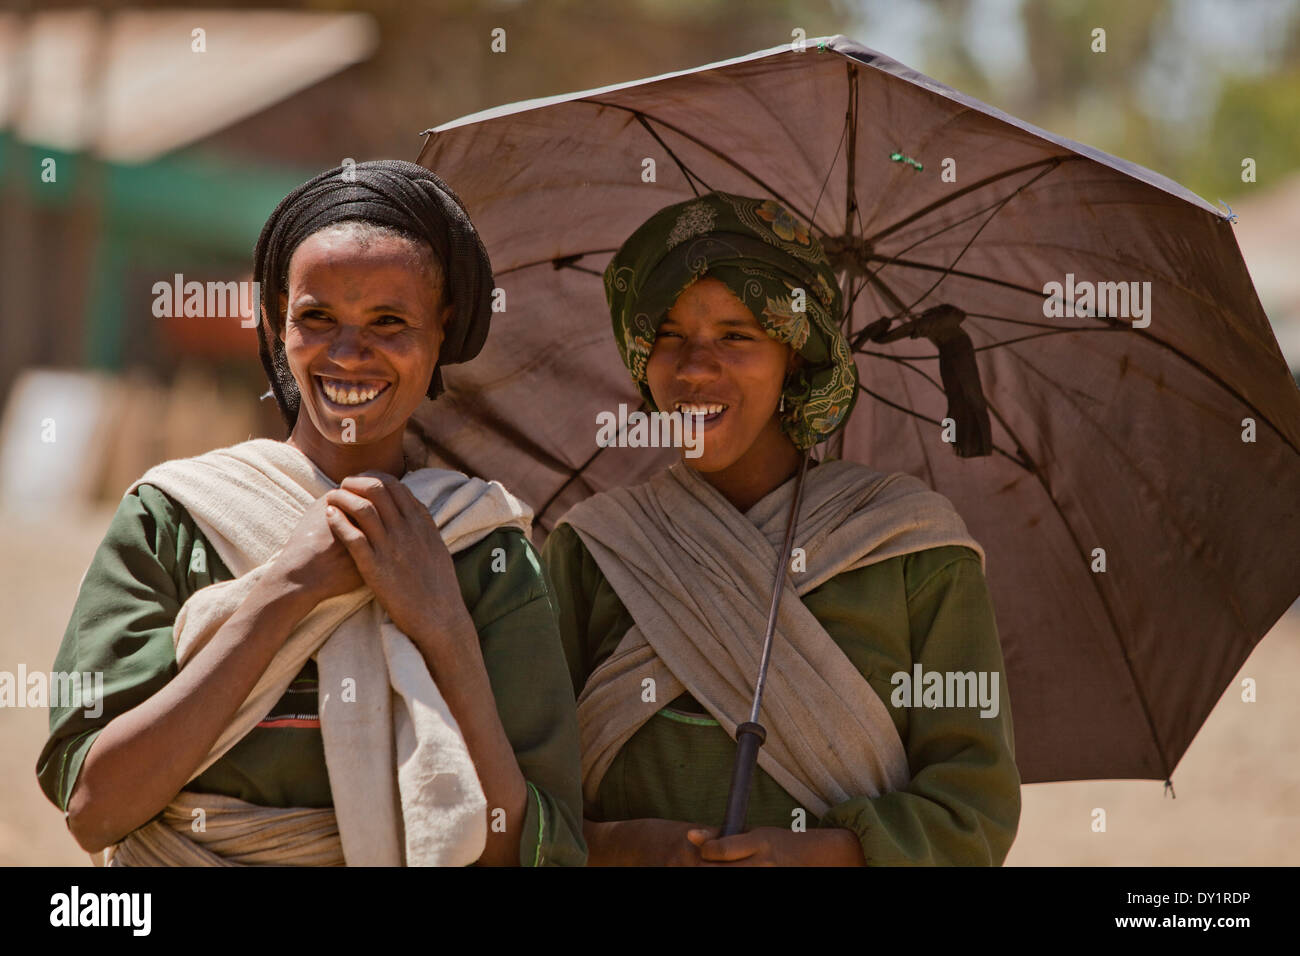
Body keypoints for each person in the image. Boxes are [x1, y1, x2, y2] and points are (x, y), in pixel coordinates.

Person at [37, 160, 585, 867]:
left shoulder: (483, 550)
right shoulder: (173, 519)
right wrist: (284, 590)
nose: (349, 354)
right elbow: (93, 809)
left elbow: (527, 847)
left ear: (442, 332)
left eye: (390, 322)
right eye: (317, 318)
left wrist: (443, 625)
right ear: (276, 323)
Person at [541, 191, 1020, 866]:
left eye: (736, 336)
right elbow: (524, 801)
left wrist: (814, 856)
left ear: (795, 353)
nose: (695, 368)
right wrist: (625, 847)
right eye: (668, 336)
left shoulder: (913, 552)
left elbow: (973, 812)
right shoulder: (594, 551)